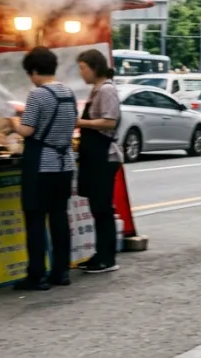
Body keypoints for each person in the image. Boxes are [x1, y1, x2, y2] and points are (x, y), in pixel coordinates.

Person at [8, 47, 77, 290]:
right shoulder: (68, 93)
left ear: (35, 71)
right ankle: (61, 272)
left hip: (41, 165)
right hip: (65, 163)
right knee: (59, 217)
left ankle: (36, 275)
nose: (31, 78)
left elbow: (27, 130)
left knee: (35, 218)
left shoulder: (38, 95)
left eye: (30, 74)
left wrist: (14, 122)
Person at [76, 48, 122, 273]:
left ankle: (108, 258)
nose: (81, 73)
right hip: (93, 154)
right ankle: (100, 253)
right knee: (97, 207)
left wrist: (81, 123)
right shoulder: (96, 90)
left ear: (94, 68)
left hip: (105, 155)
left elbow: (109, 122)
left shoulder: (106, 90)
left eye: (83, 68)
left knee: (102, 208)